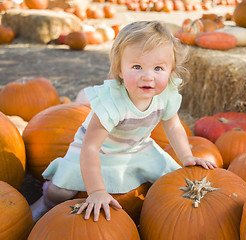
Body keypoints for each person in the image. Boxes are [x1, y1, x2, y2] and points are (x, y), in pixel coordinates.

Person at [30, 20, 217, 222]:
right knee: (62, 190)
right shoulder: (112, 103)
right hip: (97, 151)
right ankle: (44, 203)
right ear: (120, 70)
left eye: (158, 68)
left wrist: (187, 156)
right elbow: (90, 148)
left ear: (171, 71)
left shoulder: (166, 94)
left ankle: (154, 220)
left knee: (170, 181)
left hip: (137, 148)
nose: (148, 76)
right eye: (137, 66)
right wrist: (97, 191)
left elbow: (173, 126)